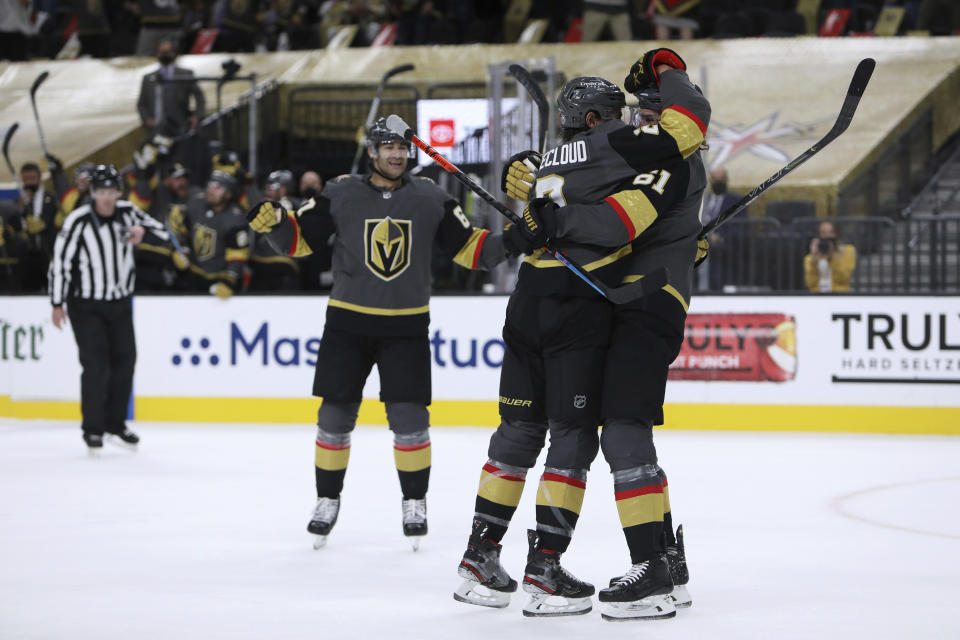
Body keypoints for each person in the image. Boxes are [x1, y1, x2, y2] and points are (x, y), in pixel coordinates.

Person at [454, 51, 708, 618]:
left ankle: (481, 555)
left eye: (643, 110)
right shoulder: (635, 150)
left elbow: (561, 188)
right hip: (588, 304)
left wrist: (535, 190)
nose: (635, 119)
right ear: (597, 119)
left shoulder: (554, 158)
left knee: (524, 429)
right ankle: (554, 569)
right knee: (583, 435)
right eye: (622, 111)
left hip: (544, 300)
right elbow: (626, 215)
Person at [245, 117, 508, 550]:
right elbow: (298, 242)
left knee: (410, 421)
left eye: (402, 147)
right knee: (333, 419)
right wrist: (274, 224)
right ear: (372, 151)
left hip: (406, 325)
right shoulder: (340, 192)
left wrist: (516, 240)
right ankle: (327, 500)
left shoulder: (431, 197)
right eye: (387, 146)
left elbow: (471, 250)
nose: (396, 154)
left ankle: (414, 501)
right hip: (347, 323)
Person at [539, 61, 710, 620]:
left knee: (623, 429)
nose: (638, 118)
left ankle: (652, 574)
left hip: (649, 303)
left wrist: (549, 212)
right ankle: (665, 560)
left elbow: (614, 223)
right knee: (625, 428)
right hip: (637, 301)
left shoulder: (671, 159)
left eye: (648, 108)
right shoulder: (661, 160)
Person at [48, 165, 170, 453]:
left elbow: (165, 234)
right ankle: (93, 428)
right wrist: (57, 303)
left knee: (126, 362)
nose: (106, 198)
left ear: (118, 192)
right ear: (93, 193)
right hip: (86, 305)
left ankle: (115, 424)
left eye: (111, 192)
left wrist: (143, 233)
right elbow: (60, 264)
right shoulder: (77, 221)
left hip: (119, 303)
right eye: (101, 192)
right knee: (96, 366)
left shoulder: (129, 212)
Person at [169, 170, 250, 298]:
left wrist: (229, 281)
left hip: (220, 279)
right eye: (210, 185)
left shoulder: (236, 219)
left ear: (228, 194)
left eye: (218, 188)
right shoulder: (195, 204)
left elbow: (237, 255)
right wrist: (179, 250)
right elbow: (183, 232)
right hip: (194, 275)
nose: (211, 190)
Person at [137, 37, 206, 140]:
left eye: (167, 52)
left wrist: (197, 116)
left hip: (180, 127)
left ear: (175, 54)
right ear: (156, 54)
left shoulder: (185, 74)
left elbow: (199, 96)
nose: (164, 55)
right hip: (156, 129)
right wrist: (147, 119)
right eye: (161, 52)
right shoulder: (148, 78)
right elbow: (142, 103)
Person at [16, 162, 60, 292]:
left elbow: (55, 221)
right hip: (29, 255)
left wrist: (43, 224)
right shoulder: (21, 201)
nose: (29, 182)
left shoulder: (51, 198)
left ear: (39, 179)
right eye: (26, 179)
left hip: (48, 252)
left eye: (32, 178)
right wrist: (21, 209)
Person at [804, 219, 856, 292]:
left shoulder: (847, 251)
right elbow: (810, 283)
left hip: (839, 296)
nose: (827, 236)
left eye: (831, 232)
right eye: (823, 233)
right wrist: (813, 259)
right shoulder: (809, 258)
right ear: (819, 235)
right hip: (817, 297)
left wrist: (832, 258)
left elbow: (843, 279)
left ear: (837, 234)